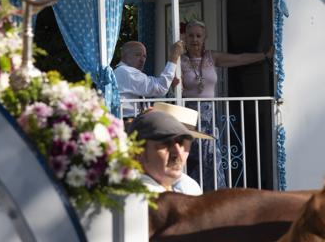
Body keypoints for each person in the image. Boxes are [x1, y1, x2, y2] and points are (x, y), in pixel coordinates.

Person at [180, 19, 273, 191]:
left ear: (204, 38)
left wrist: (264, 56)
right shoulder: (180, 60)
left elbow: (239, 59)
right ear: (185, 38)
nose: (195, 39)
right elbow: (170, 82)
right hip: (189, 114)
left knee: (211, 157)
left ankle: (214, 194)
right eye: (191, 35)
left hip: (209, 114)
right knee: (192, 156)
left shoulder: (211, 56)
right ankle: (192, 194)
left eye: (198, 36)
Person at [128, 109, 204, 195]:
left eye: (181, 142)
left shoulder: (190, 187)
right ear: (137, 151)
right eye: (166, 143)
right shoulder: (135, 193)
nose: (178, 154)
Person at [114, 40, 184, 119]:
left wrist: (170, 86)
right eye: (138, 55)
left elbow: (156, 92)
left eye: (144, 56)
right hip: (130, 123)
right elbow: (161, 87)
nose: (142, 60)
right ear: (125, 56)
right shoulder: (126, 71)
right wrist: (173, 58)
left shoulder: (122, 71)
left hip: (134, 120)